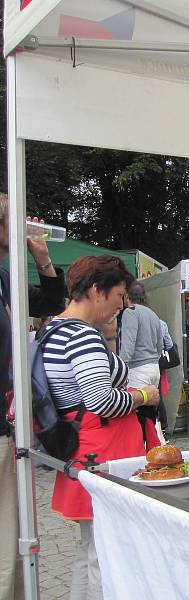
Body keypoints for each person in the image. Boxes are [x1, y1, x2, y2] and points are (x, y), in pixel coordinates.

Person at [43, 256, 158, 600]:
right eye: (119, 296)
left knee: (88, 550)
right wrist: (143, 395)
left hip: (81, 449)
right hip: (102, 454)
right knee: (105, 554)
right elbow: (101, 400)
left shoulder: (52, 328)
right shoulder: (81, 336)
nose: (121, 306)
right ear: (97, 291)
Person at [0, 195, 67, 600]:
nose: (25, 223)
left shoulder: (5, 277)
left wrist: (42, 258)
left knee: (11, 540)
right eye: (15, 216)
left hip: (6, 425)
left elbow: (49, 304)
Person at [118, 283, 164, 438]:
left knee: (137, 416)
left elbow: (128, 344)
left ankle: (139, 449)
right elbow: (160, 345)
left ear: (126, 297)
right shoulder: (153, 314)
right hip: (154, 367)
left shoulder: (130, 312)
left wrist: (122, 369)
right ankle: (152, 446)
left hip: (138, 368)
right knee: (150, 415)